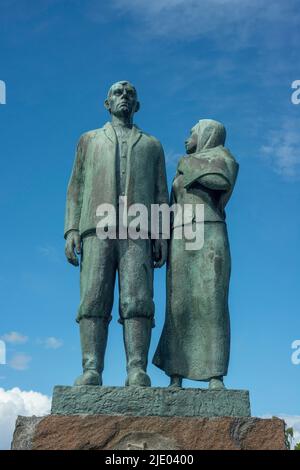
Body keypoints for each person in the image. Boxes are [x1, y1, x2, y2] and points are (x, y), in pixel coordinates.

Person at [64, 81, 168, 386]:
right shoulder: (89, 140)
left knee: (138, 299)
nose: (124, 97)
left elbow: (161, 192)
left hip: (139, 229)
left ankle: (137, 368)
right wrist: (71, 228)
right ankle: (91, 368)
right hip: (96, 228)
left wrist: (161, 235)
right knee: (93, 298)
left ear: (137, 106)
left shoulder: (152, 145)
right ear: (107, 103)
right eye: (118, 94)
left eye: (130, 94)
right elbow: (75, 188)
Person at [153, 119, 239, 390]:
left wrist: (189, 165)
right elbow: (170, 206)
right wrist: (162, 241)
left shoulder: (223, 157)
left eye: (191, 133)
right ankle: (175, 373)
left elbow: (220, 180)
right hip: (180, 235)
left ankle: (215, 374)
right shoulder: (182, 167)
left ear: (207, 134)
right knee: (179, 305)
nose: (185, 139)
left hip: (210, 232)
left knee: (211, 304)